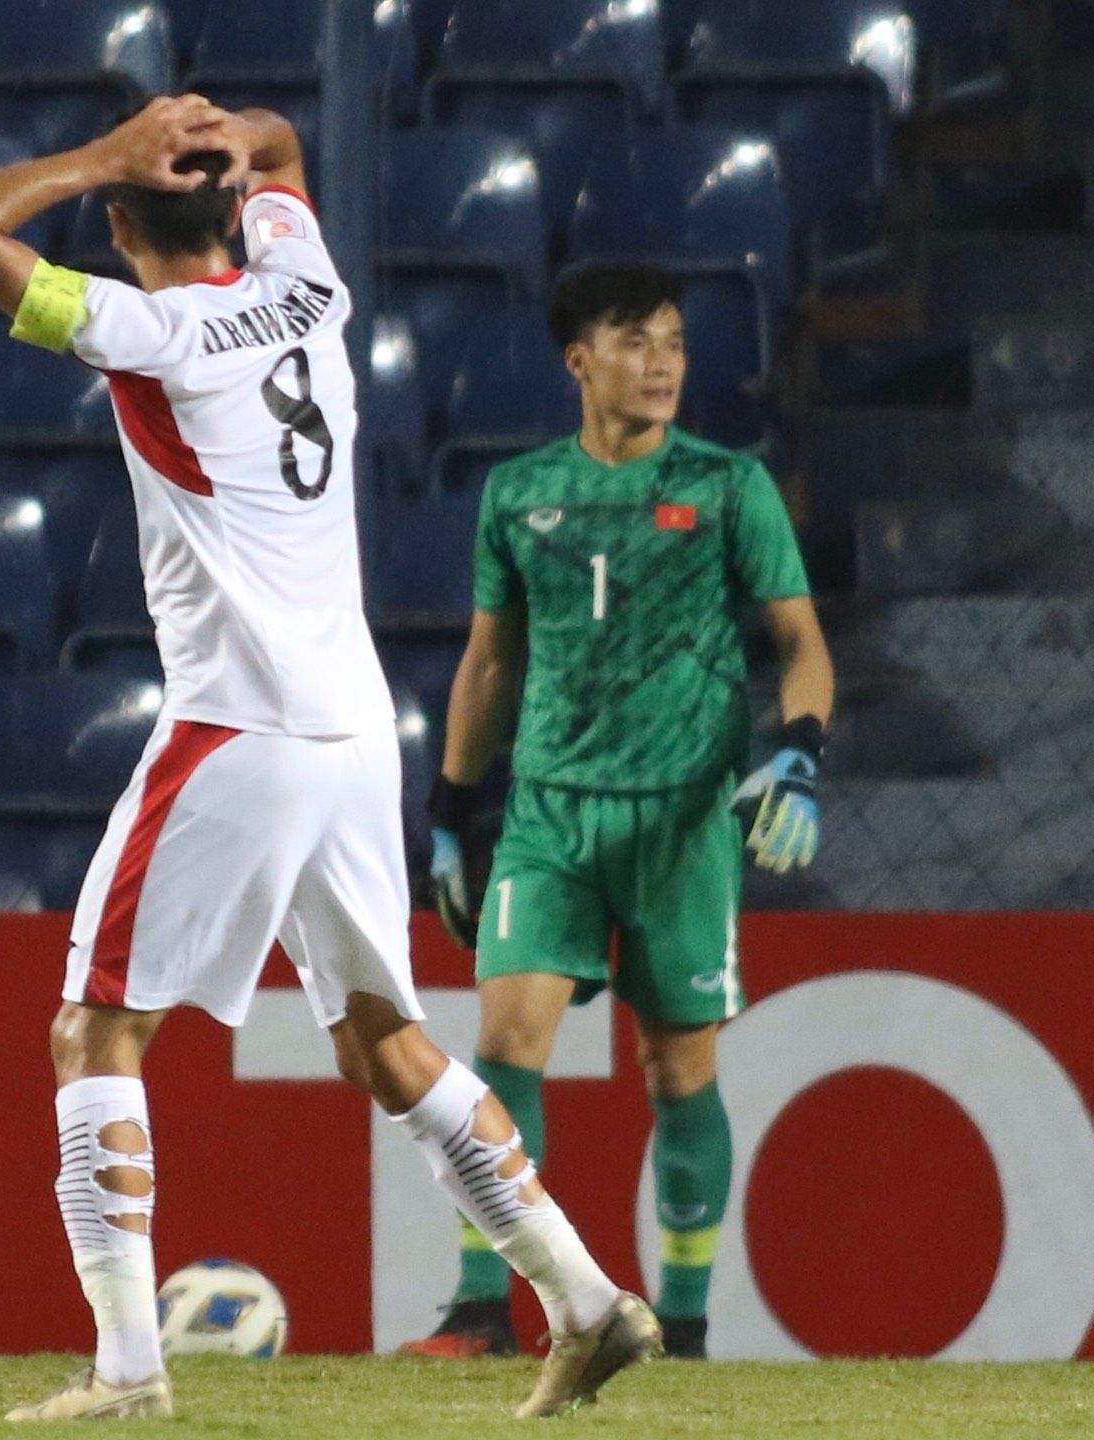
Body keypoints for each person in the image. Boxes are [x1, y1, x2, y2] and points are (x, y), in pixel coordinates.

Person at [0, 96, 657, 1420]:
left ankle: (131, 1371)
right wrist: (217, 133)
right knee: (387, 1045)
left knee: (94, 1027)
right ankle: (590, 1301)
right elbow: (282, 144)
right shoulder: (306, 287)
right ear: (239, 206)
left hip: (238, 720)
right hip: (355, 729)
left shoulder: (145, 332)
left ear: (127, 222)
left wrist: (106, 152)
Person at [405, 262, 833, 1361]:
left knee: (678, 1070)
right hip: (548, 813)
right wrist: (452, 806)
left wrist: (799, 753)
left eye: (676, 344)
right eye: (636, 342)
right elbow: (490, 665)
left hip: (681, 820)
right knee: (503, 1042)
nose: (661, 365)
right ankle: (482, 1308)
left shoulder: (729, 487)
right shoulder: (518, 493)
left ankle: (682, 1326)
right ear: (578, 360)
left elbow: (799, 642)